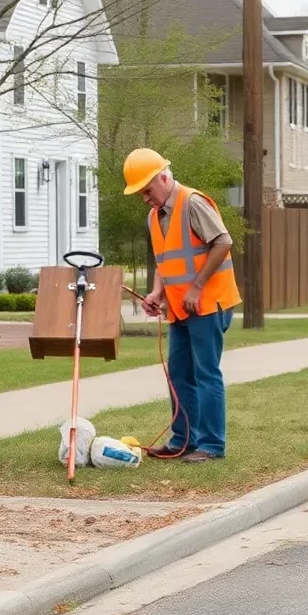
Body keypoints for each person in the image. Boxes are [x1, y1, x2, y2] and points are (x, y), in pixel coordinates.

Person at [122, 148, 242, 462]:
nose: (145, 198)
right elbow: (166, 261)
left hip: (209, 302)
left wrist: (197, 286)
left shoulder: (193, 202)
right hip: (180, 308)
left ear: (163, 177)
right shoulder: (154, 216)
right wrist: (157, 294)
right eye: (140, 194)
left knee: (205, 373)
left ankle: (212, 446)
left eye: (147, 190)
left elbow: (223, 241)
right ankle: (184, 440)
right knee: (178, 373)